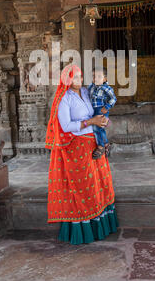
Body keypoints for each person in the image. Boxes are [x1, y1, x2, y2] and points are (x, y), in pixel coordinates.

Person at [45, 64, 119, 245]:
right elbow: (66, 126)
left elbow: (97, 109)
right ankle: (84, 230)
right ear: (67, 80)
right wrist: (90, 122)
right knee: (83, 188)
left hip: (94, 145)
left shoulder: (87, 92)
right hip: (76, 149)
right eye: (75, 77)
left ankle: (101, 225)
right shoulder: (64, 99)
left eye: (80, 76)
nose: (79, 80)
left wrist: (102, 120)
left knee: (99, 184)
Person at [88, 67, 117, 159]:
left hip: (101, 109)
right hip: (93, 109)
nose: (95, 78)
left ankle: (100, 146)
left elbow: (113, 99)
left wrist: (107, 107)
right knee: (98, 128)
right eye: (93, 76)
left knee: (98, 128)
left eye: (99, 76)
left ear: (105, 79)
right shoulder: (91, 86)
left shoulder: (106, 88)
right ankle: (106, 144)